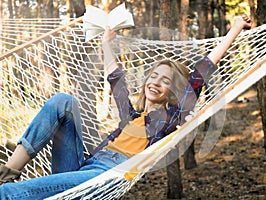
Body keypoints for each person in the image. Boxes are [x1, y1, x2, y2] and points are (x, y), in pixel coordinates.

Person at [0, 15, 251, 199]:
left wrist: (236, 29)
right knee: (63, 101)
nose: (156, 82)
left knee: (9, 195)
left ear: (173, 92)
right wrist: (107, 44)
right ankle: (9, 170)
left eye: (166, 81)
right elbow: (115, 77)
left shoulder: (171, 117)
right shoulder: (130, 116)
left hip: (108, 177)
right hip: (86, 166)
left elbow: (201, 73)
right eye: (154, 76)